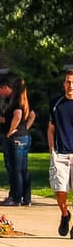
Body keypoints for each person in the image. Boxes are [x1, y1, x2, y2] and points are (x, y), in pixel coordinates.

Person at [0, 75, 34, 206]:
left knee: (15, 169)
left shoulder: (16, 101)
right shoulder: (24, 100)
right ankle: (26, 198)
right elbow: (32, 115)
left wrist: (11, 130)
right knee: (23, 169)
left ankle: (16, 198)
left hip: (15, 138)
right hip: (24, 136)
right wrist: (24, 128)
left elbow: (17, 115)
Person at [49, 68, 73, 237]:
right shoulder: (56, 104)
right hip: (60, 153)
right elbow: (51, 128)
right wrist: (52, 150)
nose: (71, 85)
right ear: (64, 84)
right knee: (59, 189)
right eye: (68, 82)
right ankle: (65, 214)